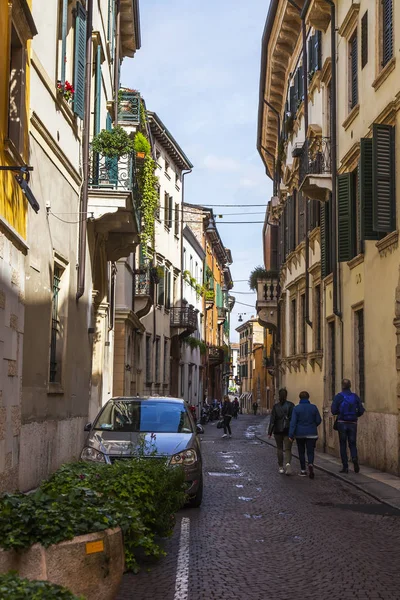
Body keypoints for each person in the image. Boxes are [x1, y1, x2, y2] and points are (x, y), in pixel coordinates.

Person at [331, 379, 365, 474]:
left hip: (342, 422)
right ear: (350, 386)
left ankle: (345, 466)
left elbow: (333, 411)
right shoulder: (355, 396)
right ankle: (354, 458)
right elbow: (361, 410)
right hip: (353, 423)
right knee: (352, 443)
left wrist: (340, 413)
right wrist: (355, 415)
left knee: (343, 444)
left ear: (342, 386)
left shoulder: (338, 397)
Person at [289, 391, 322, 479]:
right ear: (308, 397)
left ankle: (303, 470)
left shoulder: (296, 408)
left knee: (301, 452)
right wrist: (313, 426)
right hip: (312, 433)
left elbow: (293, 423)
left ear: (300, 398)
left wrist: (291, 435)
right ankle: (310, 463)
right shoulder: (314, 408)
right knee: (310, 451)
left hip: (300, 434)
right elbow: (318, 420)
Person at [268, 389, 294, 475]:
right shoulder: (291, 405)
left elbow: (272, 420)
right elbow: (293, 419)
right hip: (287, 429)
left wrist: (269, 432)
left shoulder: (276, 406)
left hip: (277, 430)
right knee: (288, 449)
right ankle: (288, 463)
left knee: (279, 448)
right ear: (286, 395)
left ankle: (281, 467)